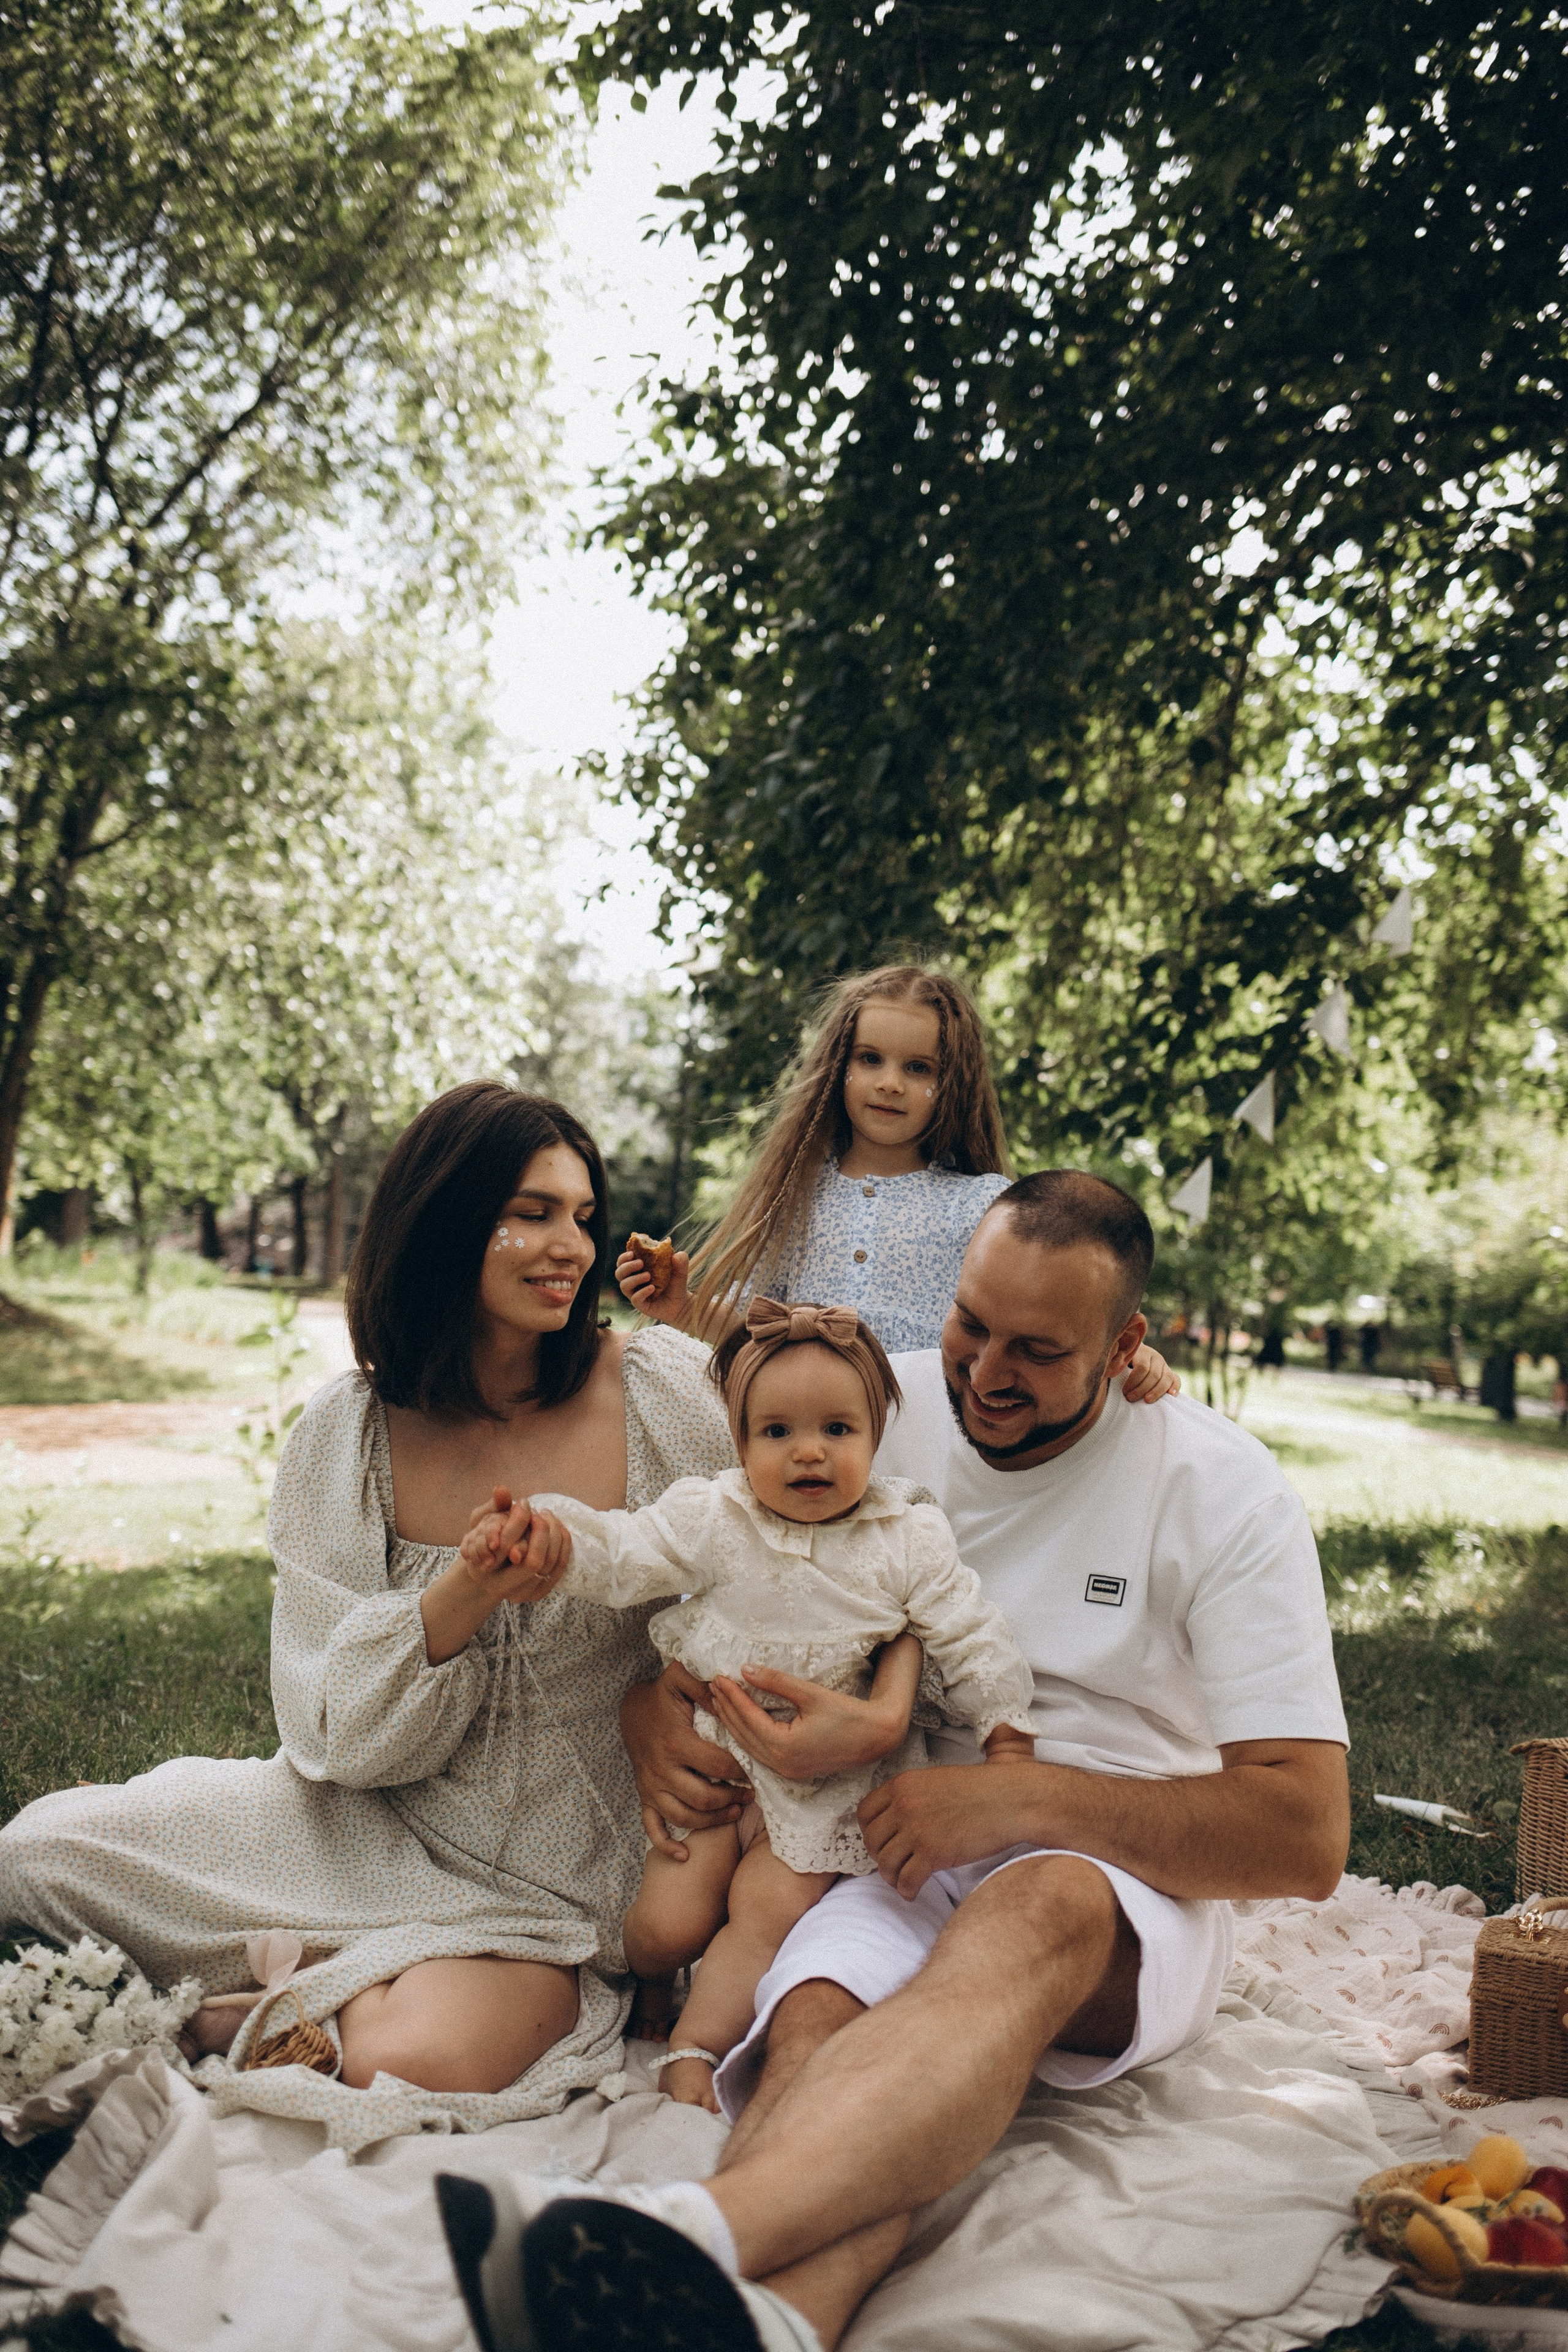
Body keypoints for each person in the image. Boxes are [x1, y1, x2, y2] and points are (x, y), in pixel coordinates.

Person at [435, 1170, 1351, 2352]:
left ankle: (685, 2231)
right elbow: (721, 1551)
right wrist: (654, 1702)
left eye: (1036, 1350)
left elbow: (1308, 1836)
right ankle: (771, 2327)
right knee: (813, 2021)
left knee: (1039, 1902)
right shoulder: (878, 1404)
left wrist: (1021, 1797)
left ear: (1128, 1345)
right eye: (971, 1323)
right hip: (889, 1837)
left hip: (1111, 1878)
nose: (982, 1372)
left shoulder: (1220, 1490)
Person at [0, 1084, 919, 2133]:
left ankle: (289, 2003)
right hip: (374, 1824)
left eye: (581, 1215)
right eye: (529, 1213)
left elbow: (834, 1527)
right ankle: (343, 1967)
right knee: (39, 1859)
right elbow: (332, 1735)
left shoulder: (664, 1391)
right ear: (445, 1215)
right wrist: (467, 1587)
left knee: (409, 2058)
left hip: (576, 1887)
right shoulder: (347, 1436)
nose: (567, 1244)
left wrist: (671, 1696)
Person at [457, 1297, 1036, 2111]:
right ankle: (652, 1984)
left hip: (820, 1791)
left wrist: (1007, 1733)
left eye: (838, 1431)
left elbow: (969, 1631)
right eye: (777, 1433)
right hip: (714, 1760)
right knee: (666, 1925)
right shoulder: (715, 1515)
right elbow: (626, 1552)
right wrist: (554, 1537)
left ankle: (694, 2049)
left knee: (763, 1920)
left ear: (875, 1438)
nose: (809, 1453)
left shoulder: (904, 1536)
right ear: (740, 1443)